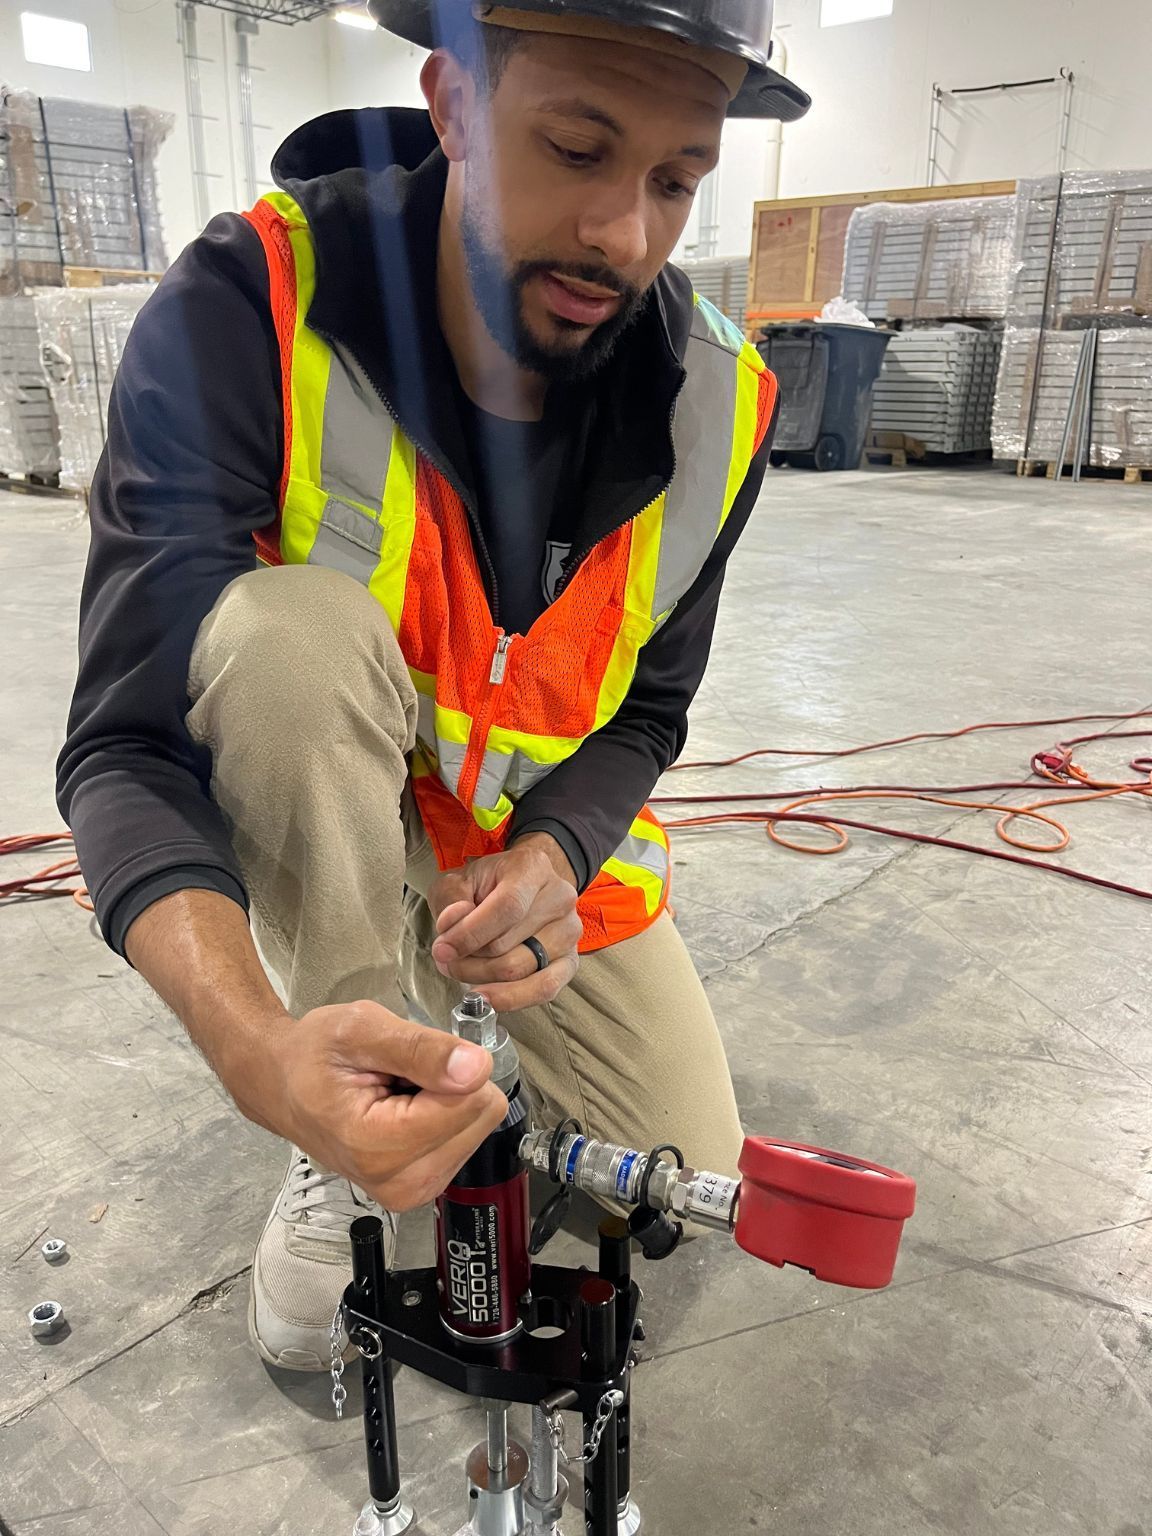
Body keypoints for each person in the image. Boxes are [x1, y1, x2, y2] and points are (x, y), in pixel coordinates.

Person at [56, 0, 808, 1371]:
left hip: (518, 852)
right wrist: (256, 1056)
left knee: (681, 1180)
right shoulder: (252, 306)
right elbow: (125, 751)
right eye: (577, 148)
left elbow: (649, 710)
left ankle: (456, 1016)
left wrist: (556, 853)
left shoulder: (722, 402)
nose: (625, 235)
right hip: (329, 793)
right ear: (452, 106)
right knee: (287, 640)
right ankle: (355, 1062)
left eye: (675, 181)